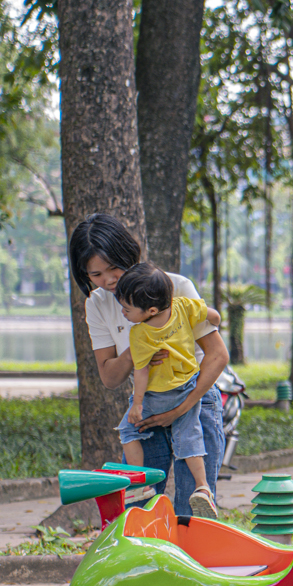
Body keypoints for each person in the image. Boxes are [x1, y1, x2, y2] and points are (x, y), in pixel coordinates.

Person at [67, 215, 226, 514]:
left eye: (114, 267)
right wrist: (137, 352)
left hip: (195, 400)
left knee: (191, 508)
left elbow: (218, 356)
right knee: (140, 509)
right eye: (96, 274)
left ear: (129, 254)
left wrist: (180, 410)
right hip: (148, 408)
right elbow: (110, 377)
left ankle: (191, 556)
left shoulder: (174, 286)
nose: (109, 280)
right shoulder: (97, 303)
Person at [115, 263, 224, 517]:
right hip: (187, 389)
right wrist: (214, 318)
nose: (123, 312)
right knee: (190, 440)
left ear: (150, 310)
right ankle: (203, 487)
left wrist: (137, 404)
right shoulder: (183, 306)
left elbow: (141, 372)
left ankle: (139, 483)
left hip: (156, 397)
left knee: (128, 431)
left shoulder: (140, 333)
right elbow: (214, 317)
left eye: (127, 309)